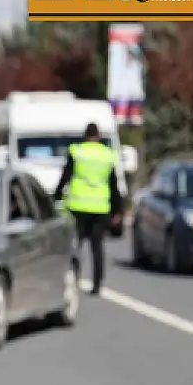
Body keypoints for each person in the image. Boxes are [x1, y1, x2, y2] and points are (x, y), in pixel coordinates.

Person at [54, 122, 123, 295]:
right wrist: (117, 210)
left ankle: (73, 280)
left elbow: (66, 176)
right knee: (97, 247)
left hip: (78, 206)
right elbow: (114, 185)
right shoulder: (107, 155)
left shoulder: (77, 151)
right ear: (98, 137)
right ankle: (97, 284)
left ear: (85, 136)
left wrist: (56, 196)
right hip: (100, 207)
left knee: (75, 246)